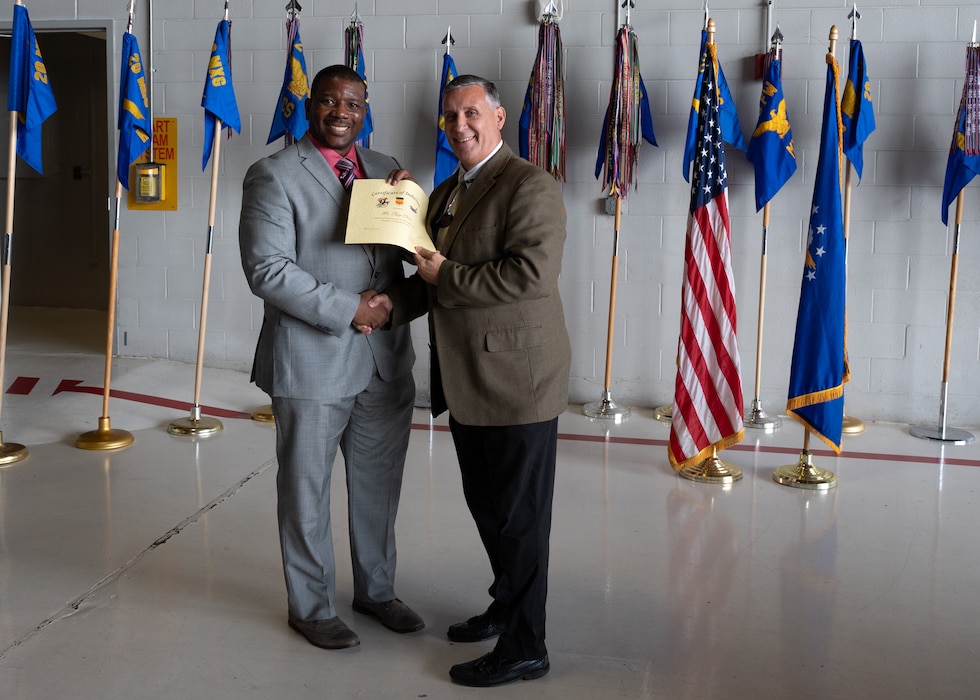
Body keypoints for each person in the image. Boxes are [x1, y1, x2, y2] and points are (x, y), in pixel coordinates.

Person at [384, 74, 571, 687]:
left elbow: (529, 276)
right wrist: (386, 304)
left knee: (520, 520)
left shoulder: (530, 185)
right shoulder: (444, 194)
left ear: (499, 117)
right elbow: (426, 276)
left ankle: (526, 647)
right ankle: (506, 605)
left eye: (471, 114)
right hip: (466, 382)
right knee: (490, 512)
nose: (459, 126)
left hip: (519, 382)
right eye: (449, 116)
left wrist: (446, 277)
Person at [238, 65, 424, 650]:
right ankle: (311, 606)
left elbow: (406, 263)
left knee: (377, 486)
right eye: (328, 102)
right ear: (310, 105)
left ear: (364, 110)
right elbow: (267, 270)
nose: (341, 113)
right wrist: (351, 309)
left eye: (353, 104)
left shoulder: (383, 168)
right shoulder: (272, 175)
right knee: (305, 489)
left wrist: (411, 207)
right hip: (312, 360)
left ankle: (376, 590)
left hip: (384, 362)